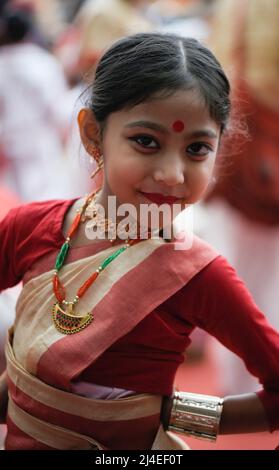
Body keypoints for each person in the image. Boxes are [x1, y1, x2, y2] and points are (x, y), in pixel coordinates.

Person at [0, 32, 278, 450]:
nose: (171, 173)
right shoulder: (30, 227)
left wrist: (168, 414)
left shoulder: (198, 275)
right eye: (146, 142)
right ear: (94, 134)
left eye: (197, 148)